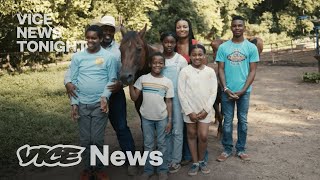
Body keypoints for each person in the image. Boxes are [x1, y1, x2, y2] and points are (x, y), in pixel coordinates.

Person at [64, 15, 136, 175]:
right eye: (105, 29)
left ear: (114, 31)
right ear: (100, 31)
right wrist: (68, 82)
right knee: (90, 135)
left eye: (111, 29)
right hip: (91, 97)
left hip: (114, 93)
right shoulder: (85, 51)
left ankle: (130, 160)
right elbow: (72, 71)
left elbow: (127, 70)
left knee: (121, 127)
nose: (108, 32)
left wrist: (121, 84)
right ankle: (91, 167)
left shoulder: (120, 49)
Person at [69, 25, 117, 180]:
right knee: (85, 140)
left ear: (101, 39)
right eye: (88, 37)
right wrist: (74, 103)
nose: (90, 40)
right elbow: (73, 80)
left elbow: (112, 80)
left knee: (96, 139)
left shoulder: (109, 57)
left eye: (94, 38)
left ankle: (99, 169)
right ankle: (87, 169)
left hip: (99, 104)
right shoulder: (78, 57)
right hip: (82, 104)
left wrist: (105, 97)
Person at [215, 15, 259, 162]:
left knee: (243, 120)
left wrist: (243, 89)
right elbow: (220, 69)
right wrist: (226, 88)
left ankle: (241, 149)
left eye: (240, 25)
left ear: (244, 27)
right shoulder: (223, 47)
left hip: (244, 92)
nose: (237, 28)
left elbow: (252, 71)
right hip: (227, 91)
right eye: (234, 26)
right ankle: (227, 149)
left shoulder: (251, 48)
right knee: (227, 121)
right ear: (231, 27)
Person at [129, 52, 174, 180]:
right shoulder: (143, 79)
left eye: (160, 63)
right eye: (154, 62)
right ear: (150, 64)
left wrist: (170, 120)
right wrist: (130, 84)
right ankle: (148, 170)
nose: (157, 65)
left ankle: (162, 170)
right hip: (146, 118)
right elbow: (134, 97)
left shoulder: (167, 82)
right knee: (148, 145)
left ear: (164, 65)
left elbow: (169, 102)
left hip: (162, 118)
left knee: (162, 144)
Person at [178, 44, 217, 176]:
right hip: (190, 110)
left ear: (204, 55)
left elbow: (213, 92)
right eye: (194, 54)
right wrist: (189, 111)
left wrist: (206, 110)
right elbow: (181, 93)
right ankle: (195, 162)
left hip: (205, 110)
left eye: (200, 54)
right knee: (191, 134)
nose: (197, 57)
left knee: (203, 136)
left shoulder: (210, 72)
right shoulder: (185, 71)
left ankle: (202, 161)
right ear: (190, 56)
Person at [174, 18, 208, 165]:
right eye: (179, 27)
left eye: (185, 26)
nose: (182, 29)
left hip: (195, 91)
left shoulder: (195, 45)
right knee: (182, 124)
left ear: (189, 28)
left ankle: (200, 157)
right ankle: (184, 154)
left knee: (197, 126)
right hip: (178, 89)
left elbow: (204, 69)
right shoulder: (172, 45)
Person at [160, 32, 188, 173]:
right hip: (161, 99)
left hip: (177, 99)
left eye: (172, 42)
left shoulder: (181, 60)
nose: (169, 45)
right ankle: (166, 157)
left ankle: (175, 160)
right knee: (164, 129)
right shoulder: (158, 59)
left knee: (177, 129)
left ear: (176, 43)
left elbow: (185, 82)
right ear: (162, 43)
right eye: (166, 42)